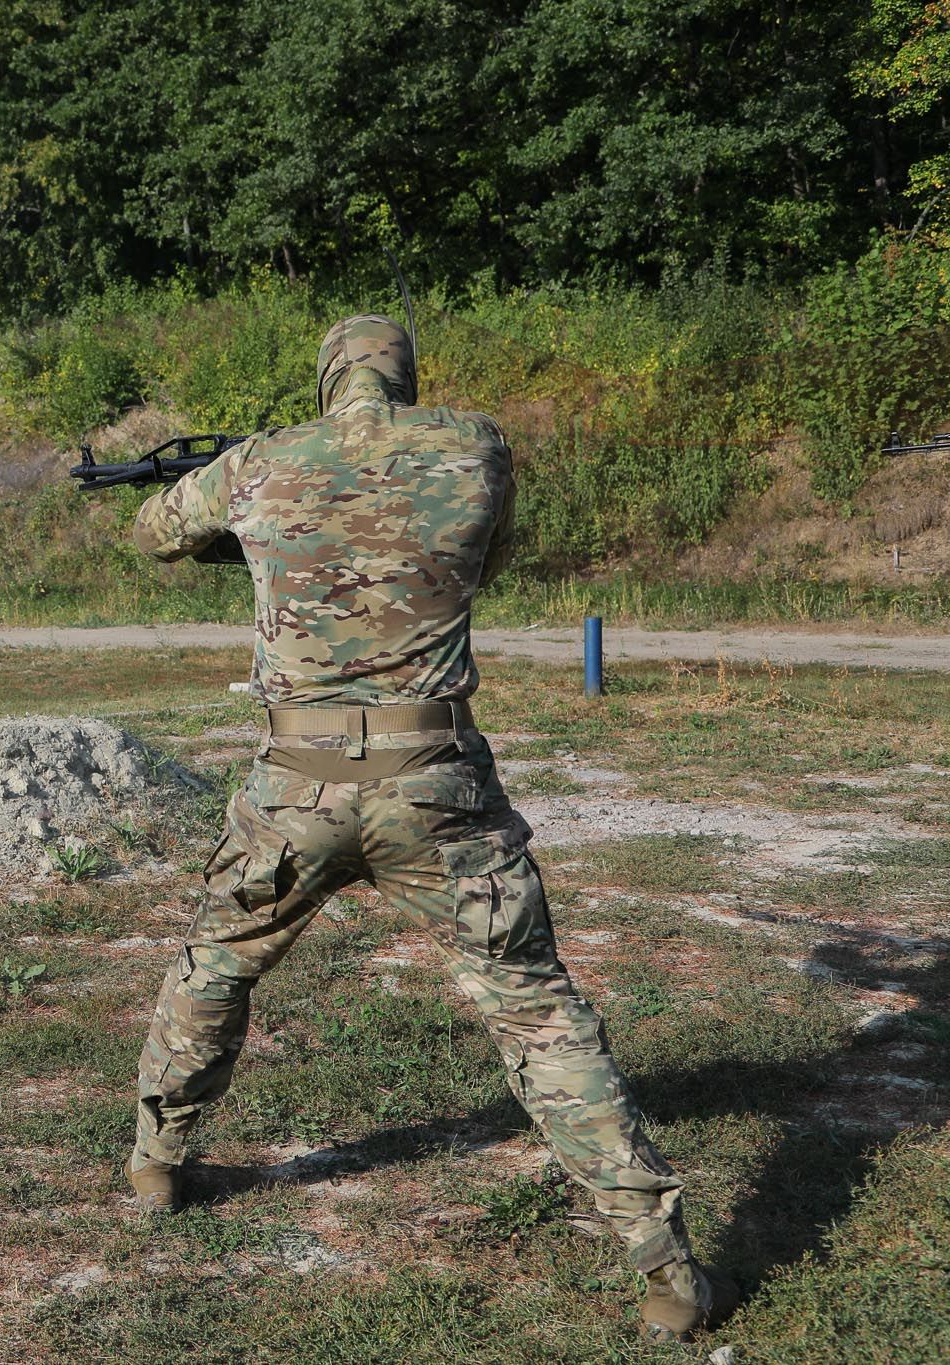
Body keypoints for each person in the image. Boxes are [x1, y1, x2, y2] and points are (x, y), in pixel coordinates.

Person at [125, 315, 735, 1344]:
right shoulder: (476, 445)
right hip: (435, 781)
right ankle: (665, 1269)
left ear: (325, 377)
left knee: (215, 966)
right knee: (536, 1009)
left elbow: (152, 532)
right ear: (403, 376)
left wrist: (256, 521)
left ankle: (155, 1164)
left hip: (295, 783)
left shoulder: (261, 462)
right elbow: (476, 561)